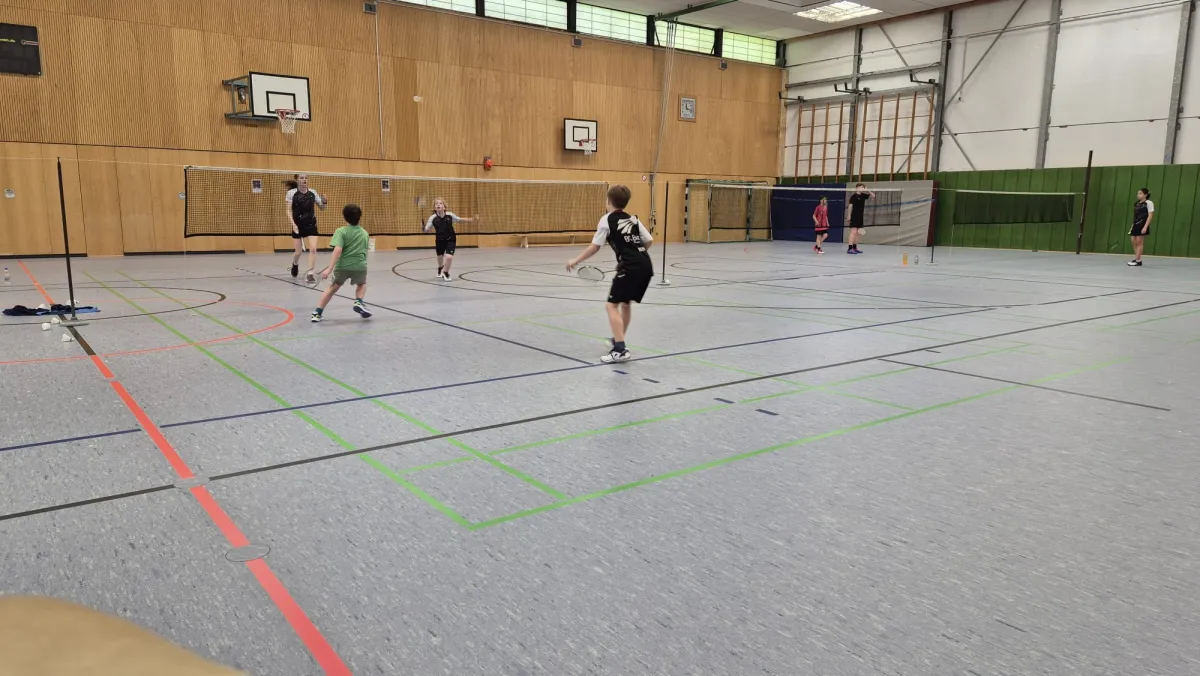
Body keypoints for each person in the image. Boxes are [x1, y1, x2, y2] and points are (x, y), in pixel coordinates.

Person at [566, 184, 654, 363]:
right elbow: (649, 240)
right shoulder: (633, 219)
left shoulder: (606, 220)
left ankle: (620, 349)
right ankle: (618, 339)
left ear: (608, 202)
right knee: (626, 304)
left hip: (630, 267)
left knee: (611, 306)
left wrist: (576, 260)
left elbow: (595, 246)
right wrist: (636, 255)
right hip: (646, 265)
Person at [311, 204, 372, 322]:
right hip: (360, 266)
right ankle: (358, 301)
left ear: (344, 217)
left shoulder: (341, 231)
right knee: (362, 284)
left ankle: (317, 313)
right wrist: (364, 264)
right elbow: (365, 251)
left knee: (332, 288)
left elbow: (338, 250)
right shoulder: (365, 233)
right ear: (359, 217)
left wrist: (329, 268)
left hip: (343, 266)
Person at [285, 174, 327, 283]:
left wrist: (324, 201)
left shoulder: (313, 192)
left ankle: (311, 273)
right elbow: (288, 210)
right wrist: (293, 224)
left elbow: (322, 208)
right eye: (302, 178)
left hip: (311, 224)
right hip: (297, 225)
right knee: (298, 252)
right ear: (297, 180)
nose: (304, 180)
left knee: (313, 248)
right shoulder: (291, 193)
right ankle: (295, 264)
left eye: (306, 178)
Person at [423, 198, 477, 281]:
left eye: (440, 203)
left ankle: (445, 272)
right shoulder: (432, 218)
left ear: (444, 207)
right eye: (436, 204)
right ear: (434, 207)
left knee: (449, 257)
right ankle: (440, 267)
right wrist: (424, 229)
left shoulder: (450, 215)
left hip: (451, 238)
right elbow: (427, 229)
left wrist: (471, 219)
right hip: (440, 240)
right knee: (440, 256)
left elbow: (459, 220)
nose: (438, 205)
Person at [1127, 187, 1153, 267]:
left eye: (1140, 193)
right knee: (1133, 241)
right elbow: (1135, 216)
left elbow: (1150, 216)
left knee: (1139, 242)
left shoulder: (1149, 203)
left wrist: (1145, 227)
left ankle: (1137, 261)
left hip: (1142, 224)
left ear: (1145, 195)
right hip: (1135, 224)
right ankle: (1137, 258)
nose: (1138, 195)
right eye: (1138, 193)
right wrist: (1132, 225)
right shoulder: (1137, 203)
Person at [846, 182, 874, 254]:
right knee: (853, 232)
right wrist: (849, 215)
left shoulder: (863, 195)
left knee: (858, 233)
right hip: (854, 216)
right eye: (861, 187)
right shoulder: (853, 196)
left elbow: (873, 196)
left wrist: (867, 190)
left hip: (860, 217)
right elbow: (850, 206)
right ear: (857, 188)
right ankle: (850, 248)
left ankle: (855, 248)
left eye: (863, 187)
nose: (862, 188)